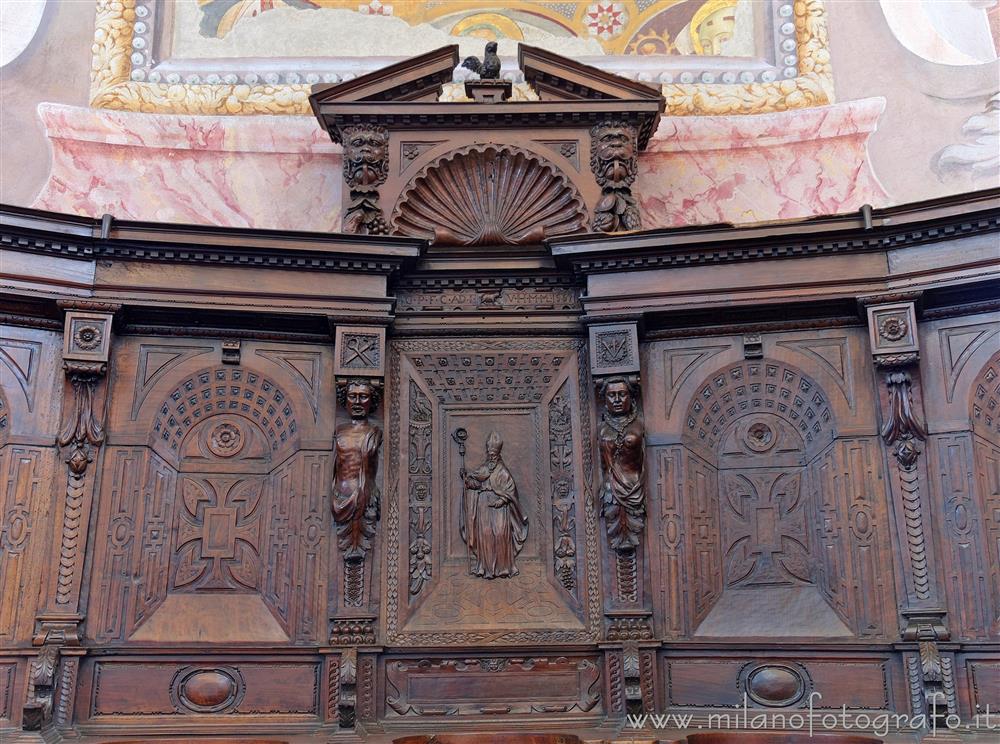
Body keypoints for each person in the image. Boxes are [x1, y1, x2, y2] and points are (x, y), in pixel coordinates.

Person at [460, 431, 528, 578]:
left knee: (500, 534)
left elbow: (511, 490)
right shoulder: (483, 469)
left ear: (498, 455)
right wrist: (466, 479)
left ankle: (503, 568)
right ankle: (486, 569)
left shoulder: (503, 472)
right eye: (489, 455)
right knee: (486, 535)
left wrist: (501, 501)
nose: (491, 457)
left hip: (499, 506)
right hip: (483, 503)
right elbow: (475, 484)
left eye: (494, 455)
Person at [331, 379, 382, 562]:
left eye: (364, 397)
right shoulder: (339, 430)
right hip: (341, 495)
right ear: (345, 399)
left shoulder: (374, 431)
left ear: (372, 400)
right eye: (353, 396)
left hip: (365, 497)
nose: (358, 402)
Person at [597, 377, 645, 553]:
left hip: (634, 486)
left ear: (631, 398)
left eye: (622, 394)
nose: (616, 400)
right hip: (611, 489)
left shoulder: (640, 423)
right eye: (611, 395)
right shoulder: (601, 427)